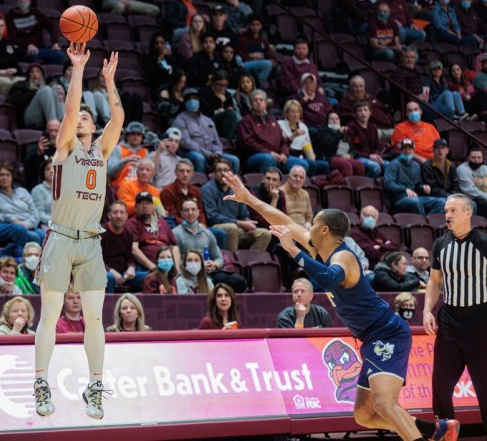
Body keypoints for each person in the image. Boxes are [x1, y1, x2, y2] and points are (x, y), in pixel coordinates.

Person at [220, 171, 457, 441]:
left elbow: (328, 278)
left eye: (312, 224)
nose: (306, 228)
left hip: (387, 333)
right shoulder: (317, 248)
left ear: (324, 230)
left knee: (383, 404)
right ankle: (435, 429)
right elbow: (283, 220)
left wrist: (293, 251)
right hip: (370, 338)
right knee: (364, 415)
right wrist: (248, 198)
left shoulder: (344, 257)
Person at [32, 43, 123, 419]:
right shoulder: (65, 148)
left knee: (96, 318)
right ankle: (40, 384)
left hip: (90, 241)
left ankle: (96, 388)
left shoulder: (100, 152)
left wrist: (110, 81)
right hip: (61, 236)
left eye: (87, 116)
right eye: (80, 116)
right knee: (51, 313)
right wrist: (78, 69)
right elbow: (70, 108)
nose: (82, 117)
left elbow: (117, 120)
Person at [423, 193, 487, 434]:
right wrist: (428, 310)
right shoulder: (440, 244)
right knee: (440, 383)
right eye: (446, 210)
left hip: (480, 320)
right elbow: (434, 281)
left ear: (468, 213)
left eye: (453, 211)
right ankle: (445, 432)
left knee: (484, 385)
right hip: (449, 319)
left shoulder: (483, 244)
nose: (447, 215)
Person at [202, 159, 272, 253]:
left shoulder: (237, 189)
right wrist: (240, 223)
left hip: (238, 227)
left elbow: (244, 214)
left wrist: (249, 224)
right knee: (232, 228)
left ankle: (248, 262)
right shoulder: (207, 189)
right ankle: (232, 262)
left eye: (226, 170)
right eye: (219, 170)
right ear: (214, 173)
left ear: (231, 173)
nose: (223, 173)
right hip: (217, 227)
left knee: (265, 234)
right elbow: (212, 217)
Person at [384, 138, 446, 215]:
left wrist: (423, 187)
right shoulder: (393, 164)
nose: (407, 151)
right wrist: (404, 190)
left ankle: (428, 223)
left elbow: (418, 185)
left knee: (442, 202)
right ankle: (424, 224)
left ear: (414, 151)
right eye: (404, 148)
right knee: (415, 202)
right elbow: (388, 184)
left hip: (415, 197)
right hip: (399, 199)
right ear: (400, 151)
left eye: (410, 148)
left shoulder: (416, 165)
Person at [0, 161, 45, 244]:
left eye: (8, 174)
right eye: (1, 175)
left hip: (28, 225)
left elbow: (35, 212)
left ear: (12, 177)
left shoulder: (22, 191)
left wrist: (27, 224)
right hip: (11, 226)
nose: (4, 177)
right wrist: (10, 219)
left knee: (45, 236)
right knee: (35, 237)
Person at [101, 201, 139, 293]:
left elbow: (129, 259)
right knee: (110, 278)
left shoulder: (128, 234)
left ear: (126, 216)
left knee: (147, 276)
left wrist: (131, 267)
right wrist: (111, 271)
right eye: (115, 212)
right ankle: (109, 306)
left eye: (122, 212)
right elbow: (94, 260)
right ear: (109, 215)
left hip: (123, 273)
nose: (118, 216)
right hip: (104, 271)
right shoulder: (100, 233)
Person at [456, 147, 487, 218]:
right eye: (473, 157)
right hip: (469, 198)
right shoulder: (462, 169)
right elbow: (470, 190)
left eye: (479, 157)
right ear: (468, 158)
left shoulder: (485, 169)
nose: (476, 160)